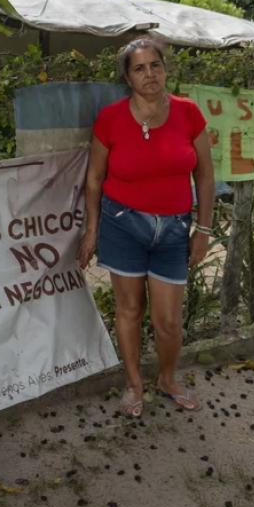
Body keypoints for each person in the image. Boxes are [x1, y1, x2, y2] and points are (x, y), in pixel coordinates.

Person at [78, 37, 216, 418]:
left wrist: (203, 231)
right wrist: (92, 231)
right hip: (122, 226)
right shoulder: (110, 119)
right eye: (139, 68)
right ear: (127, 76)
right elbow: (93, 180)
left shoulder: (189, 113)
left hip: (174, 229)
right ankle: (135, 384)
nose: (150, 74)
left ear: (165, 68)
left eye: (155, 65)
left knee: (168, 321)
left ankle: (168, 379)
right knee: (129, 310)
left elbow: (205, 176)